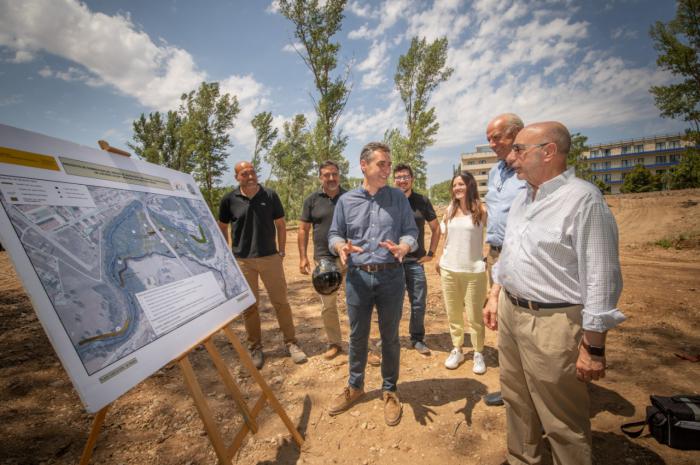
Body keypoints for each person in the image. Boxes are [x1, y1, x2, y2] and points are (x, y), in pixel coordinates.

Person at [483, 122, 625, 465]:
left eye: (519, 150)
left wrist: (593, 346)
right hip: (511, 312)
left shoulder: (583, 200)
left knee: (561, 417)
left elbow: (601, 277)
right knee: (517, 402)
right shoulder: (521, 198)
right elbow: (510, 255)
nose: (511, 157)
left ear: (548, 152)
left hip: (553, 322)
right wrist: (495, 293)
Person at [326, 142, 418, 426]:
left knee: (389, 337)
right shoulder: (346, 201)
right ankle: (355, 386)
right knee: (357, 336)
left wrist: (403, 247)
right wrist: (340, 247)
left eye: (389, 164)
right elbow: (333, 234)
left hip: (391, 276)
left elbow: (411, 232)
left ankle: (389, 389)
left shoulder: (398, 199)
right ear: (363, 165)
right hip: (357, 277)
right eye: (382, 164)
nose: (387, 170)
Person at [218, 161, 307, 370]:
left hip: (270, 258)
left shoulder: (270, 195)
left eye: (252, 172)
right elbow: (222, 226)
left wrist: (282, 251)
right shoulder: (229, 200)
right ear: (237, 177)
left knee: (281, 302)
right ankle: (255, 347)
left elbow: (281, 225)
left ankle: (291, 343)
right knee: (249, 307)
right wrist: (227, 253)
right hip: (243, 261)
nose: (250, 176)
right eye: (244, 173)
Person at [483, 113, 526, 405]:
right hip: (496, 253)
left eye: (496, 136)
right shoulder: (494, 172)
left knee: (525, 323)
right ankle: (513, 390)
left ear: (516, 134)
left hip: (520, 255)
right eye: (488, 139)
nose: (492, 143)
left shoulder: (529, 171)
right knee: (503, 324)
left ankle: (536, 391)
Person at [434, 172, 488, 374]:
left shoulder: (481, 210)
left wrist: (488, 259)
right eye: (455, 185)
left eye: (461, 184)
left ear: (470, 186)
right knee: (453, 313)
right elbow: (443, 236)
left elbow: (495, 235)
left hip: (474, 271)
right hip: (449, 269)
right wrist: (439, 257)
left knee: (475, 316)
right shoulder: (449, 209)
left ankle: (478, 352)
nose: (457, 188)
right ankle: (457, 348)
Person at [298, 160, 346, 360]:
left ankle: (362, 344)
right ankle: (335, 343)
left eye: (334, 174)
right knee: (328, 305)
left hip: (350, 257)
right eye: (327, 175)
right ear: (320, 177)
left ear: (339, 175)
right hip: (324, 261)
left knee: (358, 302)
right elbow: (303, 229)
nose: (331, 178)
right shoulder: (311, 200)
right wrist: (303, 257)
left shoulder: (350, 197)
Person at [392, 163, 440, 355]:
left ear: (412, 179)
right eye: (399, 177)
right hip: (392, 262)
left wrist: (430, 253)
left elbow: (436, 228)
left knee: (418, 302)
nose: (402, 180)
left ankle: (417, 338)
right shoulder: (389, 200)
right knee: (391, 303)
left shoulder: (422, 201)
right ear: (394, 180)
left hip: (414, 262)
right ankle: (390, 338)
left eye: (406, 176)